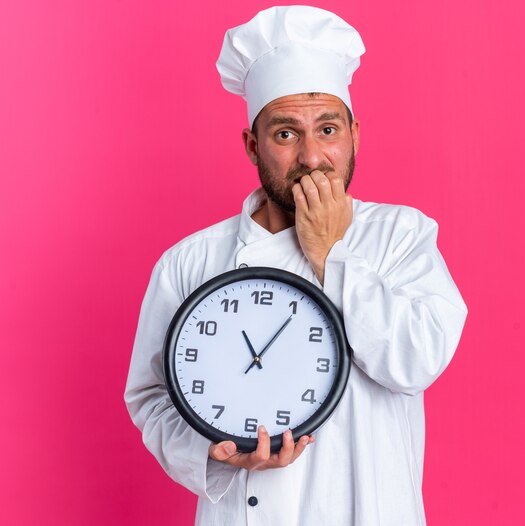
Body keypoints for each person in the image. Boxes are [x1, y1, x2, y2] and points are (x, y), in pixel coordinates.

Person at [125, 6, 467, 525]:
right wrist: (215, 456)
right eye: (286, 134)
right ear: (251, 145)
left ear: (354, 134)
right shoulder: (190, 261)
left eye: (327, 129)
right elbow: (152, 396)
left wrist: (331, 253)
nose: (311, 156)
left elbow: (417, 361)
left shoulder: (402, 236)